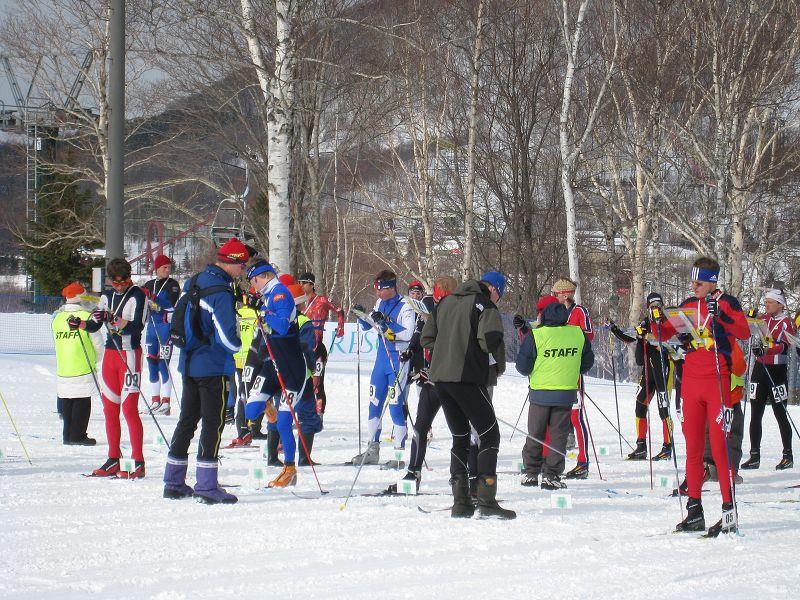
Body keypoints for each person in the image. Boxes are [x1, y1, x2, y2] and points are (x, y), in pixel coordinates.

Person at [654, 256, 749, 536]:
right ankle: (694, 510)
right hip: (691, 383)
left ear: (711, 283)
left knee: (719, 448)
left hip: (718, 381)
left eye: (698, 282)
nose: (693, 286)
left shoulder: (727, 302)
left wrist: (720, 314)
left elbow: (743, 331)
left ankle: (728, 511)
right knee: (693, 448)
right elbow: (665, 333)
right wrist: (656, 320)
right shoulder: (687, 305)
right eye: (692, 282)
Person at [421, 273, 515, 519]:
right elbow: (488, 341)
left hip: (440, 379)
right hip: (468, 377)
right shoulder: (485, 305)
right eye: (499, 294)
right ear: (492, 289)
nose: (498, 298)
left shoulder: (445, 303)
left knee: (460, 437)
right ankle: (486, 499)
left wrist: (447, 348)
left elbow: (426, 338)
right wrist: (491, 361)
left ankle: (461, 502)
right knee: (489, 433)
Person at [162, 238, 248, 503]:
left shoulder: (195, 281)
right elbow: (227, 336)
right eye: (242, 266)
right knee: (214, 422)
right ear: (233, 263)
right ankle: (207, 485)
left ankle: (173, 481)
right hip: (211, 364)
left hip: (188, 360)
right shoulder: (220, 291)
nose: (243, 271)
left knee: (187, 420)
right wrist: (239, 344)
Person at [244, 260, 320, 487]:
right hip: (272, 364)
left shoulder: (279, 295)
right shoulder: (268, 295)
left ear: (262, 277)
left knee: (285, 424)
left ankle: (289, 468)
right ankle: (275, 414)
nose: (252, 286)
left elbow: (282, 326)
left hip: (292, 368)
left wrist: (263, 313)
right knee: (252, 409)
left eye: (253, 281)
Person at [70, 258, 147, 478]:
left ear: (129, 278)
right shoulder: (107, 296)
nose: (119, 286)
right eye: (115, 282)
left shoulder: (137, 295)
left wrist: (113, 319)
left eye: (123, 282)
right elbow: (95, 323)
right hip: (111, 356)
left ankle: (138, 462)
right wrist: (81, 324)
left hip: (129, 355)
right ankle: (113, 458)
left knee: (130, 409)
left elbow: (136, 327)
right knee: (109, 409)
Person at [516, 296, 594, 490]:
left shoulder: (537, 335)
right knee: (558, 436)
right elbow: (587, 363)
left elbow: (522, 366)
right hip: (565, 393)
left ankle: (531, 472)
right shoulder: (577, 334)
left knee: (535, 433)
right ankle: (551, 475)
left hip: (540, 393)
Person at [388, 276, 454, 492]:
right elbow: (420, 336)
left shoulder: (457, 312)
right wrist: (412, 350)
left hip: (452, 379)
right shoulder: (429, 309)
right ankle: (413, 471)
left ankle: (465, 476)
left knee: (460, 429)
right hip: (434, 377)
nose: (437, 297)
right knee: (421, 425)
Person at [350, 270, 416, 465]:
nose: (378, 294)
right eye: (376, 289)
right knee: (374, 401)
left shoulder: (406, 306)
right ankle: (372, 448)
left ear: (391, 288)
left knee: (395, 405)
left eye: (381, 290)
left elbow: (407, 334)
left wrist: (386, 324)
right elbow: (371, 325)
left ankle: (399, 455)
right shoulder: (380, 302)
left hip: (397, 359)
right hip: (381, 359)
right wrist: (362, 315)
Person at [609, 292, 675, 462]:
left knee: (663, 408)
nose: (655, 308)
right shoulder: (645, 321)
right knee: (640, 405)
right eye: (652, 306)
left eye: (658, 305)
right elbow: (636, 347)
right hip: (649, 369)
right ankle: (641, 446)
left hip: (663, 366)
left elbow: (672, 339)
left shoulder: (668, 319)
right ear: (648, 307)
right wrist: (617, 331)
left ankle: (667, 447)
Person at [742, 289, 796, 470]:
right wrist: (748, 321)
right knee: (755, 413)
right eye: (765, 302)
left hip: (776, 371)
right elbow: (746, 333)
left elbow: (784, 346)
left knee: (780, 413)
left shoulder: (786, 322)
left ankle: (787, 455)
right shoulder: (763, 319)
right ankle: (754, 455)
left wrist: (768, 349)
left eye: (770, 302)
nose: (767, 305)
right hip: (759, 369)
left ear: (780, 304)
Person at [551, 277, 594, 480]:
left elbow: (589, 334)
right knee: (558, 417)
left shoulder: (579, 311)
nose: (554, 297)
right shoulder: (556, 313)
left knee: (576, 418)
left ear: (566, 294)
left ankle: (583, 462)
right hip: (558, 371)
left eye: (557, 293)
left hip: (573, 371)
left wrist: (568, 334)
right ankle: (551, 460)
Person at [53, 282, 102, 445]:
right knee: (82, 401)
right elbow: (98, 345)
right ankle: (78, 435)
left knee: (67, 400)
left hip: (64, 366)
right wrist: (96, 359)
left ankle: (67, 434)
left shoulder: (57, 318)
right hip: (83, 365)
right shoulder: (86, 316)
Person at [297, 271, 345, 419]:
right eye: (299, 282)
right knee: (302, 383)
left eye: (304, 283)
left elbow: (339, 309)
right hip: (302, 348)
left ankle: (319, 414)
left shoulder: (322, 300)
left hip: (317, 348)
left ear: (311, 285)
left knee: (317, 384)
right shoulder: (299, 302)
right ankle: (303, 414)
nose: (301, 285)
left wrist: (341, 327)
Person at [141, 254, 181, 416]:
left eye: (169, 267)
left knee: (163, 364)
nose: (167, 270)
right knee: (151, 363)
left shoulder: (173, 285)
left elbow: (170, 305)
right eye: (164, 267)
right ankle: (155, 401)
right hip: (151, 328)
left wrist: (153, 297)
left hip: (165, 327)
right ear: (157, 268)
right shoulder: (149, 284)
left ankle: (166, 402)